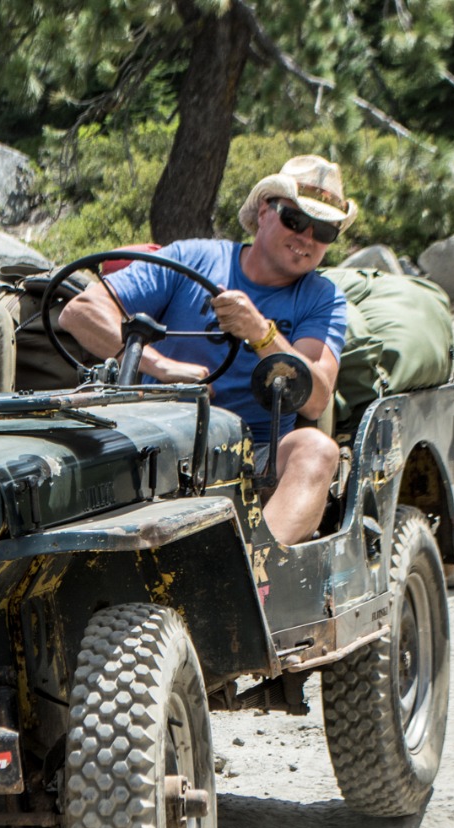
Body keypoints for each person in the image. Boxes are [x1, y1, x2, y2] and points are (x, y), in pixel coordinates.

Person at [58, 154, 355, 546]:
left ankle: (255, 573)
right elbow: (79, 312)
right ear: (265, 211)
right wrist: (161, 366)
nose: (307, 239)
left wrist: (261, 334)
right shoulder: (192, 258)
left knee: (317, 449)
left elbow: (315, 400)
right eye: (296, 220)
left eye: (324, 232)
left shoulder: (322, 298)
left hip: (257, 452)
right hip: (156, 437)